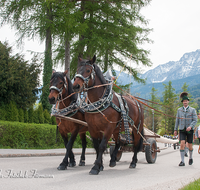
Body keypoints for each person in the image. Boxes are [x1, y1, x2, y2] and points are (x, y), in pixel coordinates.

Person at [174, 92, 197, 166]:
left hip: (190, 130)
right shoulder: (179, 110)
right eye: (184, 101)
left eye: (186, 101)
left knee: (190, 145)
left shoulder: (192, 110)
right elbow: (177, 120)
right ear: (182, 102)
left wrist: (190, 126)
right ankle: (182, 161)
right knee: (182, 144)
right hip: (181, 129)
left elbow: (195, 120)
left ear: (188, 101)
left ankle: (190, 157)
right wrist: (175, 129)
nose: (185, 102)